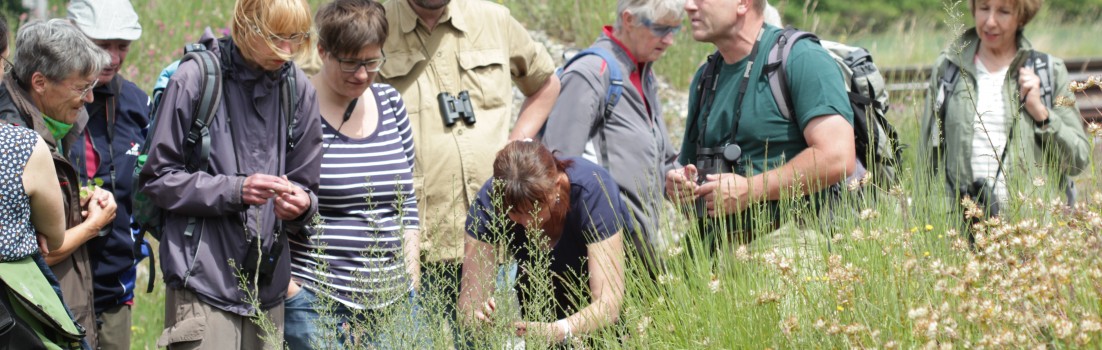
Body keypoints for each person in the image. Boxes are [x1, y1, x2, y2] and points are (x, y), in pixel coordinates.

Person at [138, 0, 323, 348]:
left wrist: (300, 205)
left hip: (267, 288)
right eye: (275, 37)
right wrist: (234, 191)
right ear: (246, 24)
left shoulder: (298, 88)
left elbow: (308, 188)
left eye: (295, 38)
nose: (286, 50)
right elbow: (157, 179)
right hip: (202, 282)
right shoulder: (194, 78)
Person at [378, 0, 561, 317]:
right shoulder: (375, 23)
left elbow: (546, 82)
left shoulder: (493, 19)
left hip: (494, 233)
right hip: (412, 239)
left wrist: (515, 145)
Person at [283, 0, 422, 348]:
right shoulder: (294, 109)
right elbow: (265, 208)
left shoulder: (391, 103)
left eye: (372, 62)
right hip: (319, 305)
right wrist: (293, 293)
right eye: (350, 63)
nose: (361, 74)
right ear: (322, 51)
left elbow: (406, 203)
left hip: (396, 306)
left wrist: (411, 279)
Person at [665, 0, 855, 248]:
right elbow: (691, 179)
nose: (689, 6)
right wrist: (682, 188)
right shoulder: (705, 78)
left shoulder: (802, 58)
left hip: (791, 248)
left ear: (743, 3)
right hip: (713, 249)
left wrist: (752, 189)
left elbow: (838, 157)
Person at [0, 18, 115, 348]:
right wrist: (95, 223)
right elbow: (39, 249)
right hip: (27, 321)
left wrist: (77, 199)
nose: (90, 99)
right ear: (39, 82)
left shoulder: (52, 121)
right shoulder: (17, 140)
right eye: (81, 88)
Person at [919, 0, 1090, 221]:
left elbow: (1079, 160)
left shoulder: (1049, 72)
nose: (990, 21)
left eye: (1003, 11)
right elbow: (926, 161)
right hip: (964, 232)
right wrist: (922, 229)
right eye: (983, 8)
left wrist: (1042, 114)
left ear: (1021, 16)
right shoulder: (948, 68)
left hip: (1032, 235)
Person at [541, 0, 683, 264]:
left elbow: (660, 158)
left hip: (637, 251)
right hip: (597, 257)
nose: (670, 40)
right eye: (661, 28)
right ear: (628, 20)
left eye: (676, 29)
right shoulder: (591, 73)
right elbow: (555, 167)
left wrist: (673, 177)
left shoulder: (644, 74)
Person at [459, 141, 628, 344]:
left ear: (556, 187)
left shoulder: (592, 190)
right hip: (543, 301)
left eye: (534, 211)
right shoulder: (489, 204)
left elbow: (609, 304)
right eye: (515, 213)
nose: (527, 222)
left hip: (621, 305)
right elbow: (469, 306)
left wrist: (561, 330)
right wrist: (480, 318)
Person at [66, 1, 151, 348]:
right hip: (57, 286)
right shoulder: (45, 99)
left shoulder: (135, 103)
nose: (113, 58)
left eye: (122, 46)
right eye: (102, 46)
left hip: (115, 290)